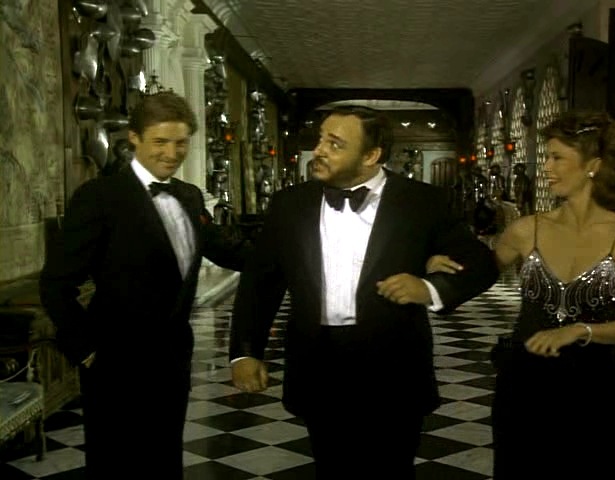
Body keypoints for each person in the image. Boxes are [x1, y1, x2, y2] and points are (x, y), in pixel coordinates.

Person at [229, 106, 499, 480]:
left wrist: (429, 288)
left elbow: (481, 263)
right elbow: (260, 282)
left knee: (391, 473)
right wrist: (245, 352)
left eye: (335, 144)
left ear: (371, 156)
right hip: (318, 367)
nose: (319, 150)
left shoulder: (420, 202)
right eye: (321, 139)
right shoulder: (289, 204)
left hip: (393, 370)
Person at [431, 110, 615, 479]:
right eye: (546, 157)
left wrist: (578, 330)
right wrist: (438, 267)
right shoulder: (525, 230)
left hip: (591, 388)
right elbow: (476, 275)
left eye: (557, 157)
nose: (546, 167)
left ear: (593, 165)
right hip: (523, 383)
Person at [40, 92, 251, 478]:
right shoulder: (100, 197)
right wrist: (86, 351)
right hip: (114, 362)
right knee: (116, 465)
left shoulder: (188, 195)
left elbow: (229, 251)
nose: (172, 153)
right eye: (161, 141)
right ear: (134, 138)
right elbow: (55, 284)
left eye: (181, 142)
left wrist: (299, 254)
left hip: (172, 358)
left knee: (164, 459)